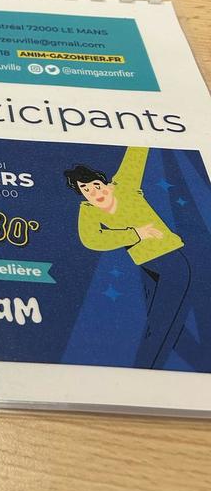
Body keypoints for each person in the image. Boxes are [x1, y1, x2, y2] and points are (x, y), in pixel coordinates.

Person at [64, 146, 210, 369]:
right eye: (86, 190)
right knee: (164, 324)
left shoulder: (125, 186)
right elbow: (92, 239)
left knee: (163, 323)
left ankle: (145, 367)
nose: (94, 193)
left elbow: (136, 154)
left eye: (96, 185)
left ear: (105, 184)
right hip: (147, 267)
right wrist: (135, 233)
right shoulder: (89, 210)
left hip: (171, 260)